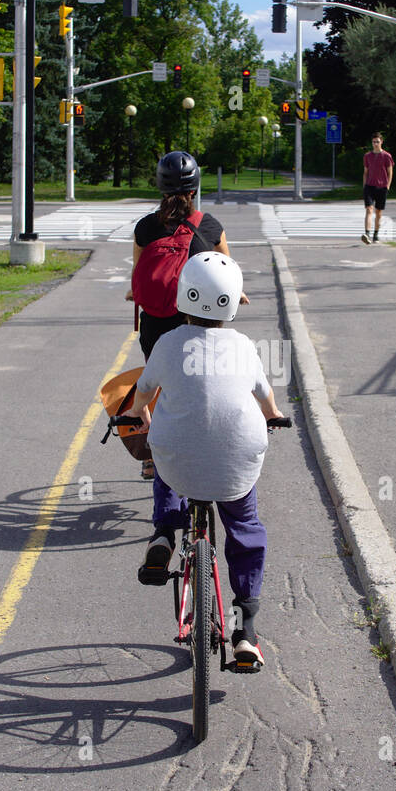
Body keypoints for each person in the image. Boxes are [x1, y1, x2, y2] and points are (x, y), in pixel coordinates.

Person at [127, 253, 284, 671]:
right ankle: (245, 632)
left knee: (167, 457)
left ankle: (164, 533)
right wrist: (274, 417)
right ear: (233, 302)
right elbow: (265, 398)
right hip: (236, 459)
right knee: (245, 528)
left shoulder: (166, 343)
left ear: (182, 295)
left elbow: (142, 393)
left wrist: (139, 413)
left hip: (178, 457)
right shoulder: (244, 346)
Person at [126, 151, 245, 479]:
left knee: (156, 381)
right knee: (204, 380)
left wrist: (134, 291)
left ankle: (152, 454)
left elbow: (138, 272)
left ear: (160, 188)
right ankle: (214, 443)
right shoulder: (209, 226)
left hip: (154, 322)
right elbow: (227, 270)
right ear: (194, 189)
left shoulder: (146, 227)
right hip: (196, 320)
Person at [361, 131, 394, 244]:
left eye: (377, 142)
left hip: (382, 187)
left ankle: (376, 234)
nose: (375, 144)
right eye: (374, 142)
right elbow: (365, 172)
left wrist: (387, 186)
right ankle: (367, 234)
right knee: (369, 209)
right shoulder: (367, 156)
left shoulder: (386, 156)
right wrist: (365, 185)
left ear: (381, 142)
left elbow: (390, 172)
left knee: (378, 212)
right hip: (369, 186)